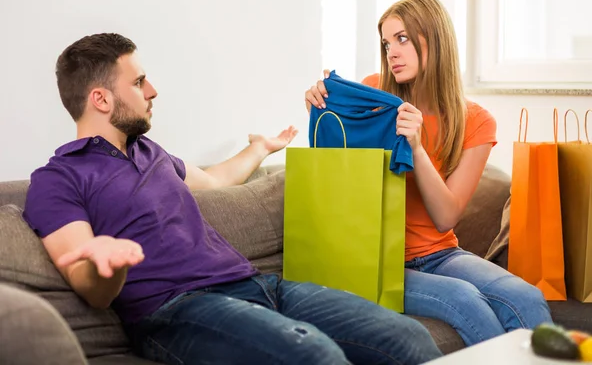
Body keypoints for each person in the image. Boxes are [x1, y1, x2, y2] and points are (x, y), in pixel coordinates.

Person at [22, 33, 443, 365]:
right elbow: (89, 284)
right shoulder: (57, 180)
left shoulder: (151, 153)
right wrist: (106, 263)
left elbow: (215, 178)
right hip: (179, 311)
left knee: (406, 336)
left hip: (258, 285)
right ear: (100, 99)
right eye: (137, 82)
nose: (152, 90)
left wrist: (261, 149)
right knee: (313, 355)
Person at [304, 0, 553, 347]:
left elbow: (445, 217)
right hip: (379, 259)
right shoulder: (373, 91)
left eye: (402, 39)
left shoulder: (476, 121)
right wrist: (321, 100)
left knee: (526, 296)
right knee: (468, 303)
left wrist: (416, 148)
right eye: (387, 42)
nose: (392, 52)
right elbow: (335, 159)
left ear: (434, 40)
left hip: (440, 253)